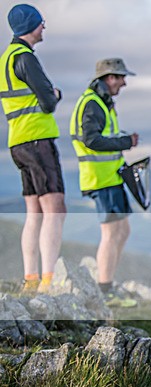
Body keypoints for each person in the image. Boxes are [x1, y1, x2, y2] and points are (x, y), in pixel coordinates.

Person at [1, 4, 65, 294]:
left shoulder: (6, 58)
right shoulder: (26, 58)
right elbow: (48, 101)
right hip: (38, 140)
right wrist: (55, 94)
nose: (44, 27)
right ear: (31, 25)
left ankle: (31, 279)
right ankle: (49, 280)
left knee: (34, 212)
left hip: (17, 142)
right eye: (41, 23)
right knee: (55, 209)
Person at [70, 58, 139, 308]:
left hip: (111, 176)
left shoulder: (102, 103)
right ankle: (105, 290)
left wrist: (122, 139)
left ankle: (108, 284)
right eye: (121, 77)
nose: (124, 83)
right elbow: (92, 140)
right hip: (100, 179)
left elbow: (102, 137)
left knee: (123, 231)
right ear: (109, 77)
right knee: (111, 234)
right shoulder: (92, 103)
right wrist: (125, 142)